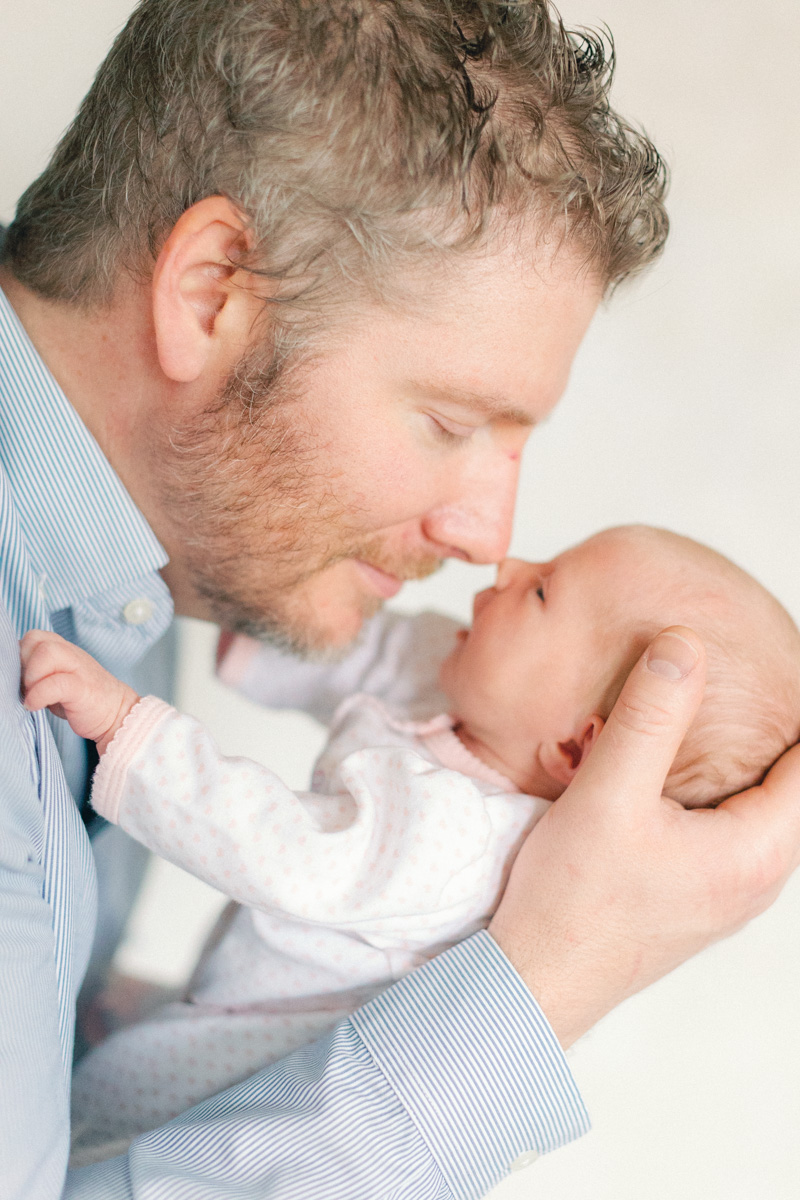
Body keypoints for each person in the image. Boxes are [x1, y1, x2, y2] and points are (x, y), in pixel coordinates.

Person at [1, 2, 798, 1197]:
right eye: (449, 421)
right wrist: (550, 977)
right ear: (213, 292)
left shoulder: (137, 585)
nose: (487, 538)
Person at [19, 522, 800, 1165]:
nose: (509, 562)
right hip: (232, 992)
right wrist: (257, 635)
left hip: (224, 1070)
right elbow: (381, 655)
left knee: (90, 1112)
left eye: (539, 591)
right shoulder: (477, 691)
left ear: (577, 752)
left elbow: (277, 845)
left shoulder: (459, 842)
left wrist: (129, 729)